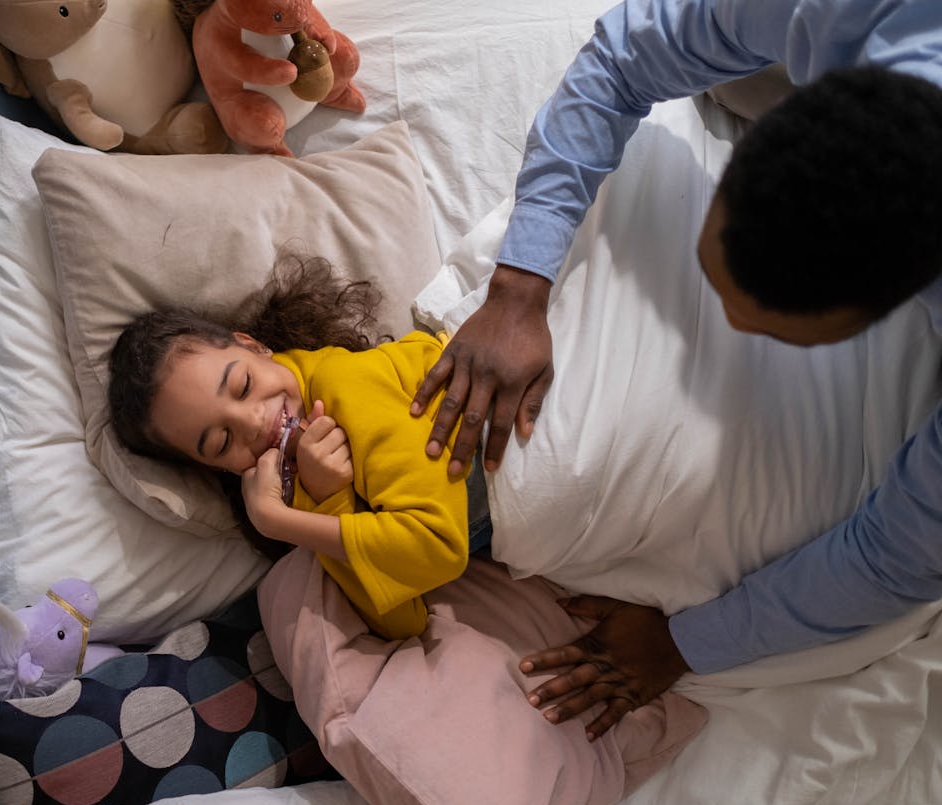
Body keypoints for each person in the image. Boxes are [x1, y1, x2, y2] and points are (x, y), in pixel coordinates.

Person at [408, 0, 942, 739]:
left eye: (771, 332)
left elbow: (896, 558)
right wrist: (519, 284)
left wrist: (682, 643)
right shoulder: (837, 12)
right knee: (719, 74)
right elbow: (622, 56)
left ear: (888, 313)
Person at [107, 256, 491, 641]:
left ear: (253, 346)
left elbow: (437, 546)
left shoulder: (342, 384)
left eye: (242, 385)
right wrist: (332, 499)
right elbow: (404, 622)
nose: (254, 422)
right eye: (222, 442)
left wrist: (277, 521)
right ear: (216, 468)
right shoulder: (299, 479)